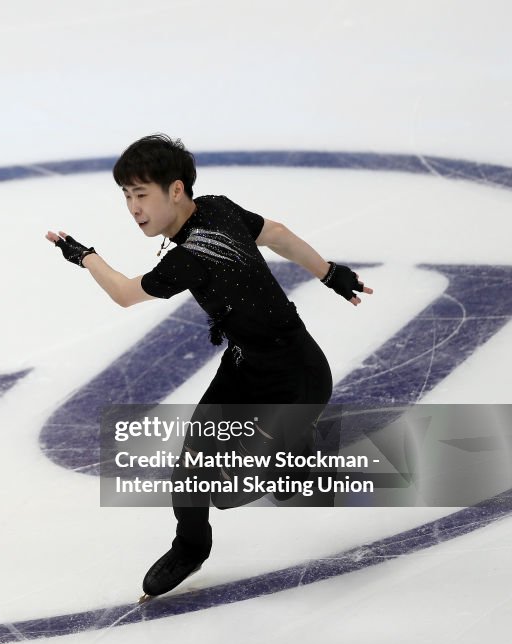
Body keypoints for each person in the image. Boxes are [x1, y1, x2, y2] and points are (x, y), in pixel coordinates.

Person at [44, 134, 373, 599]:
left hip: (297, 380)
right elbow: (275, 233)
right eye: (127, 197)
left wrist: (85, 255)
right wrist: (328, 272)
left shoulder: (190, 257)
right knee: (191, 471)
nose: (134, 208)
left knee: (229, 490)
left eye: (141, 195)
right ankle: (192, 546)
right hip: (245, 367)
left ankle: (297, 448)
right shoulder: (216, 207)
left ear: (175, 190)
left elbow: (122, 293)